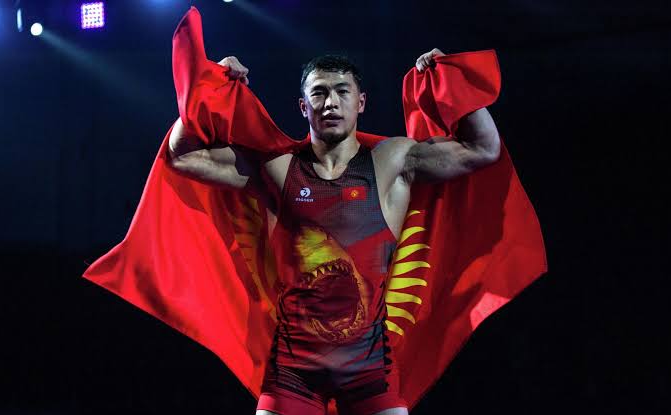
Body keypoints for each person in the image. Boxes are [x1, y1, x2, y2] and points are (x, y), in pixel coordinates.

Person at [166, 49, 500, 415]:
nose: (330, 103)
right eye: (319, 93)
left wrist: (450, 79)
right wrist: (210, 85)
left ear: (361, 102)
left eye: (342, 91)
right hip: (293, 371)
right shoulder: (278, 169)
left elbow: (483, 148)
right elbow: (183, 156)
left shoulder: (392, 162)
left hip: (370, 370)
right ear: (303, 107)